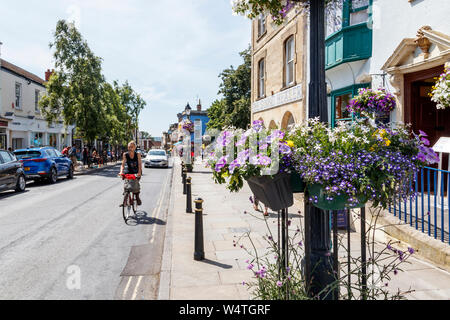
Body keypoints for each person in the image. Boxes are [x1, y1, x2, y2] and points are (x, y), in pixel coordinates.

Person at [119, 141, 143, 206]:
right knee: (126, 185)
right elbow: (123, 164)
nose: (130, 148)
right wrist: (121, 171)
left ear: (135, 148)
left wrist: (139, 172)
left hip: (136, 171)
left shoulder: (138, 154)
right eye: (129, 147)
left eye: (132, 147)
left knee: (135, 186)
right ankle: (125, 200)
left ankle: (137, 197)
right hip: (129, 171)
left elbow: (140, 164)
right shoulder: (125, 154)